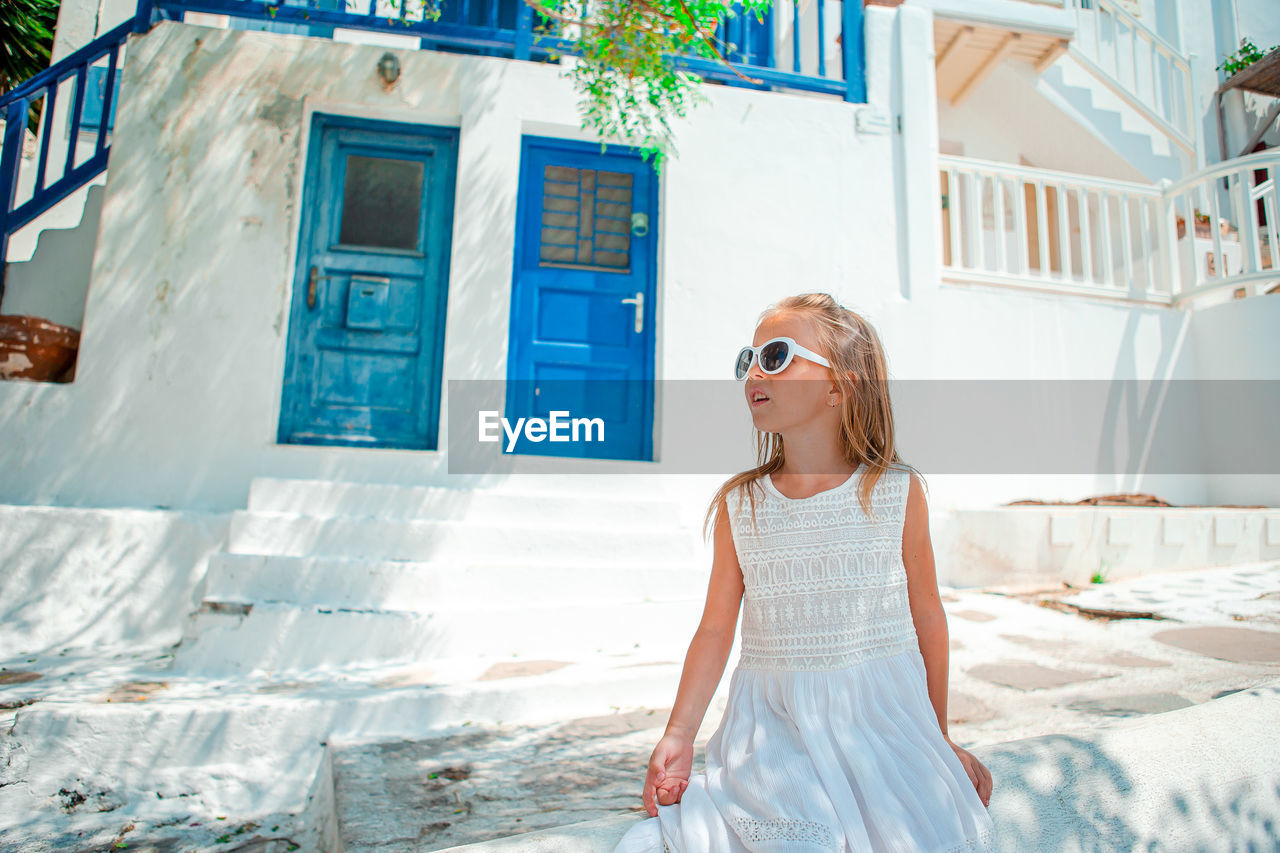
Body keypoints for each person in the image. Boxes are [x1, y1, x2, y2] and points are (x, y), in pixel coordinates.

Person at [613, 293, 1000, 853]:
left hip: (879, 723)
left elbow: (927, 618)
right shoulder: (742, 503)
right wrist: (679, 733)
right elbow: (717, 630)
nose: (753, 373)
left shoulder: (894, 491)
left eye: (776, 355)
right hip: (774, 728)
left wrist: (937, 738)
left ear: (839, 386)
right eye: (748, 360)